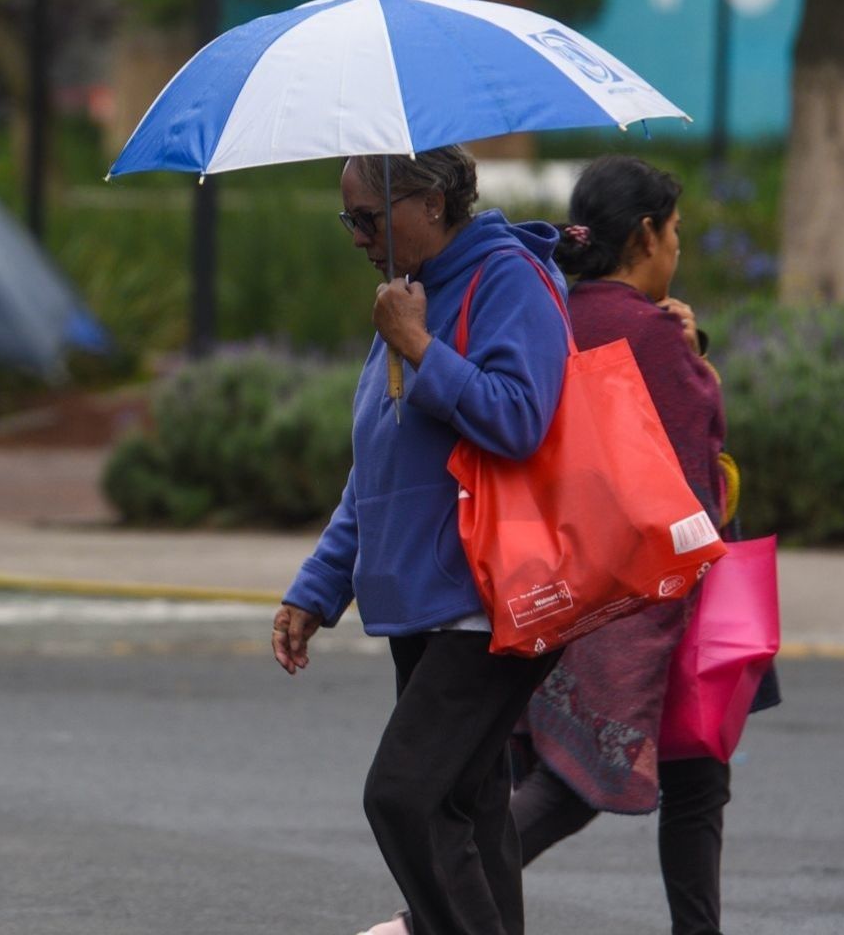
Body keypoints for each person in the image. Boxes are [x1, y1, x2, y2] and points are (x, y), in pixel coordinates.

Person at [270, 146, 571, 935]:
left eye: (368, 218)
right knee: (469, 813)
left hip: (488, 598)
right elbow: (382, 462)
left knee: (405, 797)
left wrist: (420, 347)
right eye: (349, 220)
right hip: (427, 601)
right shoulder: (408, 296)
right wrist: (319, 587)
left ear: (431, 204)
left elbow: (519, 418)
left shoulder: (507, 278)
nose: (358, 236)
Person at [502, 156, 739, 935]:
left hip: (549, 580)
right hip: (644, 598)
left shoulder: (554, 312)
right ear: (645, 235)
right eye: (676, 233)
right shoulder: (648, 332)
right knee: (592, 784)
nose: (678, 248)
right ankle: (427, 909)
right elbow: (695, 458)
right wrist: (690, 344)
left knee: (691, 772)